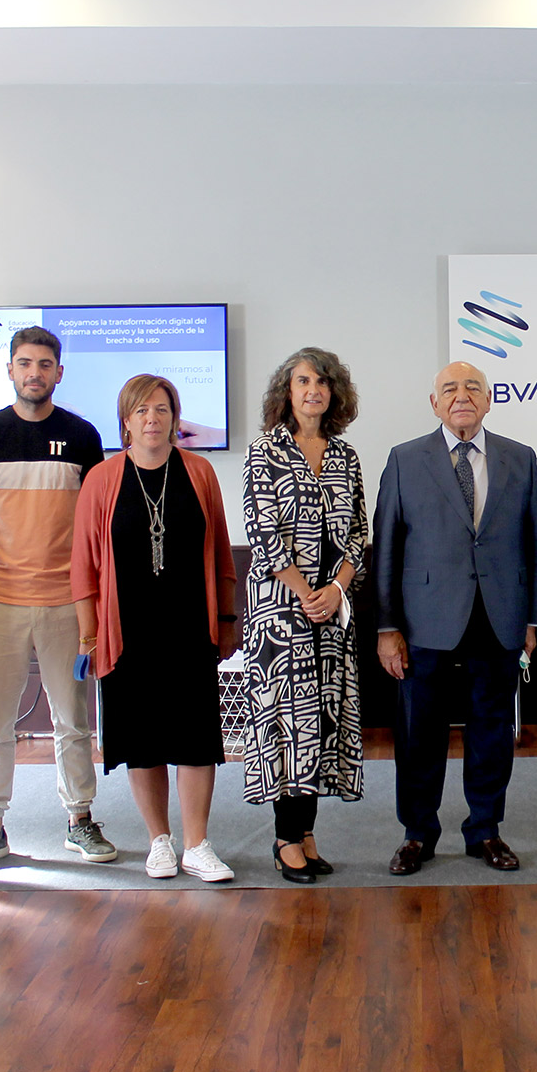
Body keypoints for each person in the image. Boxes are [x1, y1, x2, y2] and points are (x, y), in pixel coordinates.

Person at [0, 327, 116, 873]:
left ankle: (80, 819)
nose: (35, 373)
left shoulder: (82, 436)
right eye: (25, 363)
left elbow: (93, 520)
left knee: (72, 720)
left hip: (65, 603)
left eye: (45, 364)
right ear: (10, 370)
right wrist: (6, 558)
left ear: (59, 373)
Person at [375, 361, 537, 875]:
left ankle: (486, 830)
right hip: (424, 621)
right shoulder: (405, 459)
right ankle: (417, 834)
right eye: (449, 388)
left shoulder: (520, 458)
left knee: (491, 730)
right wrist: (387, 627)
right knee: (419, 733)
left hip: (499, 616)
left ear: (489, 400)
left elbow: (533, 544)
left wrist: (532, 620)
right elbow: (387, 547)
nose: (462, 395)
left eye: (473, 387)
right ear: (434, 403)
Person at [73, 374, 241, 881]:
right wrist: (89, 636)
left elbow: (220, 552)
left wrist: (227, 619)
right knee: (142, 742)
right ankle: (159, 841)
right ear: (126, 421)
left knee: (195, 740)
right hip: (127, 633)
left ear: (175, 418)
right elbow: (83, 566)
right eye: (142, 410)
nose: (152, 418)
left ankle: (197, 844)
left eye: (162, 409)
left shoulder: (199, 471)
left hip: (190, 628)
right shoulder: (102, 478)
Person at [242, 348, 366, 883]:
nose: (313, 389)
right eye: (302, 381)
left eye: (322, 382)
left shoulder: (346, 456)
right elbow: (262, 532)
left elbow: (359, 531)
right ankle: (285, 839)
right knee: (289, 723)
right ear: (286, 392)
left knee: (322, 721)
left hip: (331, 611)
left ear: (334, 393)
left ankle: (307, 834)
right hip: (280, 610)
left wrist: (335, 589)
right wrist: (305, 592)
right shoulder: (264, 451)